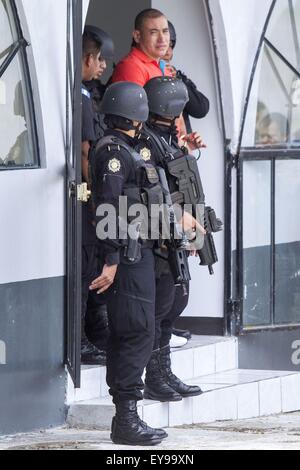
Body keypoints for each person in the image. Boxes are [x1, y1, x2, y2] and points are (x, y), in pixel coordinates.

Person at [89, 81, 168, 446]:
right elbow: (107, 206)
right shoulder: (114, 153)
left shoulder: (121, 147)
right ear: (136, 117)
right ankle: (126, 420)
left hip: (134, 252)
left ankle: (128, 418)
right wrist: (111, 260)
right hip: (126, 257)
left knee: (135, 332)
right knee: (135, 332)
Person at [135, 76, 205, 402]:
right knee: (161, 306)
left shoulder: (166, 137)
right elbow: (153, 192)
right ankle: (153, 376)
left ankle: (163, 371)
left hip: (173, 235)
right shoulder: (147, 141)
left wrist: (187, 151)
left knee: (174, 302)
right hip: (159, 236)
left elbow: (175, 177)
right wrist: (179, 220)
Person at [80, 28, 106, 365]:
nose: (102, 66)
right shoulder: (83, 96)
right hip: (82, 197)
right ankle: (82, 340)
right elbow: (86, 151)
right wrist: (98, 196)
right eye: (99, 59)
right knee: (87, 268)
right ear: (87, 59)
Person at [163, 21, 210, 135]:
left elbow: (201, 108)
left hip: (179, 146)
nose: (168, 50)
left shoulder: (176, 76)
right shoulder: (140, 70)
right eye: (165, 44)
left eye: (171, 44)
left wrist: (178, 80)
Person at [111, 8, 171, 86]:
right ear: (137, 36)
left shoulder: (163, 66)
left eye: (165, 31)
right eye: (154, 32)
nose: (162, 39)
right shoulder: (131, 67)